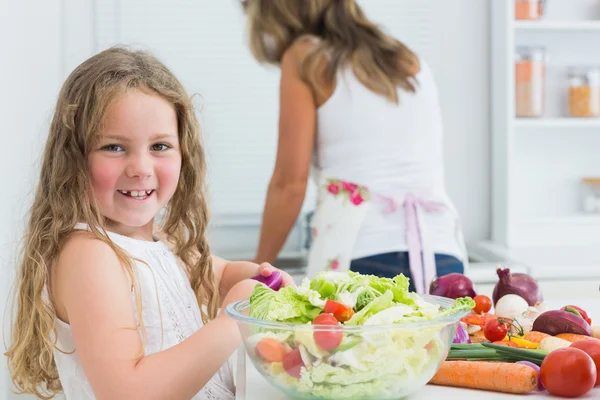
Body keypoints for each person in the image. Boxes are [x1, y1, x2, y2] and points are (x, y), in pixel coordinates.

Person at [4, 46, 293, 400]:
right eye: (114, 147)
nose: (141, 168)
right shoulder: (90, 256)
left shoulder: (162, 243)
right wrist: (234, 320)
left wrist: (255, 278)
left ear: (183, 154)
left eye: (159, 146)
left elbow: (216, 274)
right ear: (73, 158)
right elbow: (129, 392)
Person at [242, 0, 469, 294]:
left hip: (361, 254)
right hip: (442, 255)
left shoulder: (305, 58)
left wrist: (259, 268)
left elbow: (289, 184)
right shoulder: (406, 58)